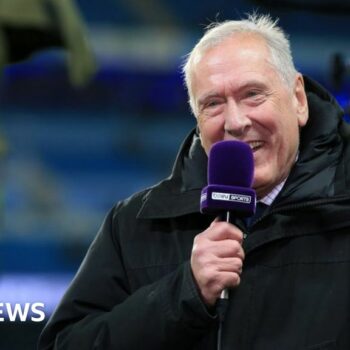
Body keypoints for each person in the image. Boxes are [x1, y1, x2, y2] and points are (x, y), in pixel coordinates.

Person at [38, 13, 350, 350]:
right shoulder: (134, 224)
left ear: (298, 100)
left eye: (253, 94)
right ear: (198, 120)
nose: (235, 121)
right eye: (213, 103)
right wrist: (183, 293)